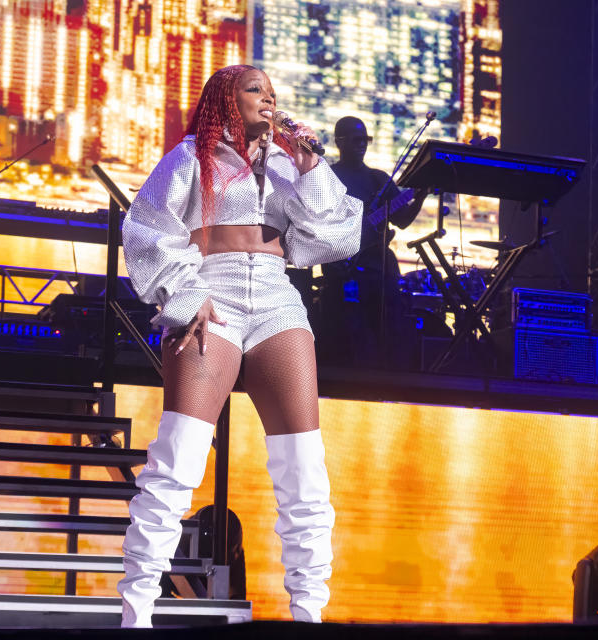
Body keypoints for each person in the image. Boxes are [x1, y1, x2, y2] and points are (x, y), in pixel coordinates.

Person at [117, 65, 362, 627]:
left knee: (305, 471)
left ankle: (308, 616)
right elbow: (147, 228)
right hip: (214, 290)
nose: (268, 99)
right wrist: (185, 292)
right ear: (224, 100)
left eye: (272, 93)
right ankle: (135, 614)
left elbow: (336, 236)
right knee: (176, 460)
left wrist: (311, 168)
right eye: (256, 89)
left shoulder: (287, 164)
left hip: (278, 297)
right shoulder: (190, 157)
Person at [320, 116, 428, 367]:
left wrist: (421, 195)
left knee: (388, 327)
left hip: (379, 267)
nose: (362, 144)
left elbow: (402, 220)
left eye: (365, 139)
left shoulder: (378, 179)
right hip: (342, 267)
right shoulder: (328, 176)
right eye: (356, 139)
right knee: (347, 332)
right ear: (340, 141)